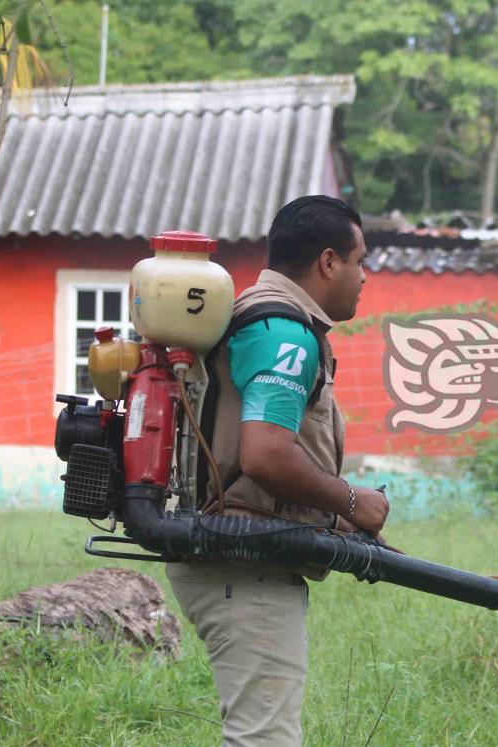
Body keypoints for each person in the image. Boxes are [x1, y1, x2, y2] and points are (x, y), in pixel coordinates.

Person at [166, 195, 390, 746]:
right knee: (263, 740)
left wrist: (336, 521)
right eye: (361, 262)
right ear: (329, 261)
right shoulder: (285, 334)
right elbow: (264, 453)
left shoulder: (257, 313)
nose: (365, 277)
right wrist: (352, 501)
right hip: (244, 567)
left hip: (236, 556)